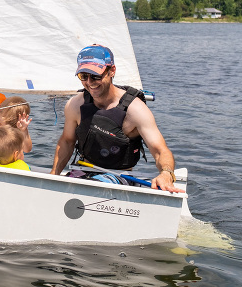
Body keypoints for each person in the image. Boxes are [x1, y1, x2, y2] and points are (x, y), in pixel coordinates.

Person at [49, 44, 184, 193]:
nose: (89, 82)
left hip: (119, 178)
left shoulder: (136, 110)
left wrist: (166, 173)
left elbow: (160, 150)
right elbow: (67, 141)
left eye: (96, 76)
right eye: (83, 76)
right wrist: (53, 176)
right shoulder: (75, 105)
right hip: (82, 172)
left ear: (111, 71)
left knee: (89, 188)